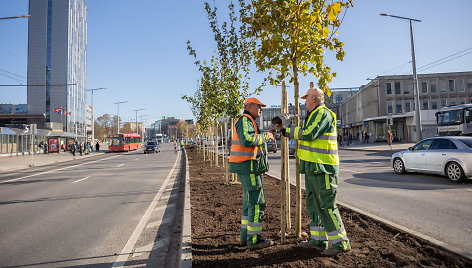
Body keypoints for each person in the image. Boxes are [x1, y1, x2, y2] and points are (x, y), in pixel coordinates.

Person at [274, 87, 350, 256]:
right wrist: (286, 129)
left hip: (323, 167)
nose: (304, 102)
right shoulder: (313, 115)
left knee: (326, 205)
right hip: (313, 167)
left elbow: (309, 134)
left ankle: (341, 244)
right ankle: (318, 240)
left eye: (306, 99)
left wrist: (287, 129)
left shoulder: (324, 113)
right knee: (314, 205)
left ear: (314, 99)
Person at [229, 97, 275, 250]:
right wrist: (265, 137)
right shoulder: (244, 120)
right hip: (248, 166)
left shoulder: (249, 121)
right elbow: (247, 140)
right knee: (257, 202)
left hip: (247, 166)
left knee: (249, 202)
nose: (261, 109)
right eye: (259, 107)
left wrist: (266, 134)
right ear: (249, 106)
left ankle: (244, 237)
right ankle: (253, 239)